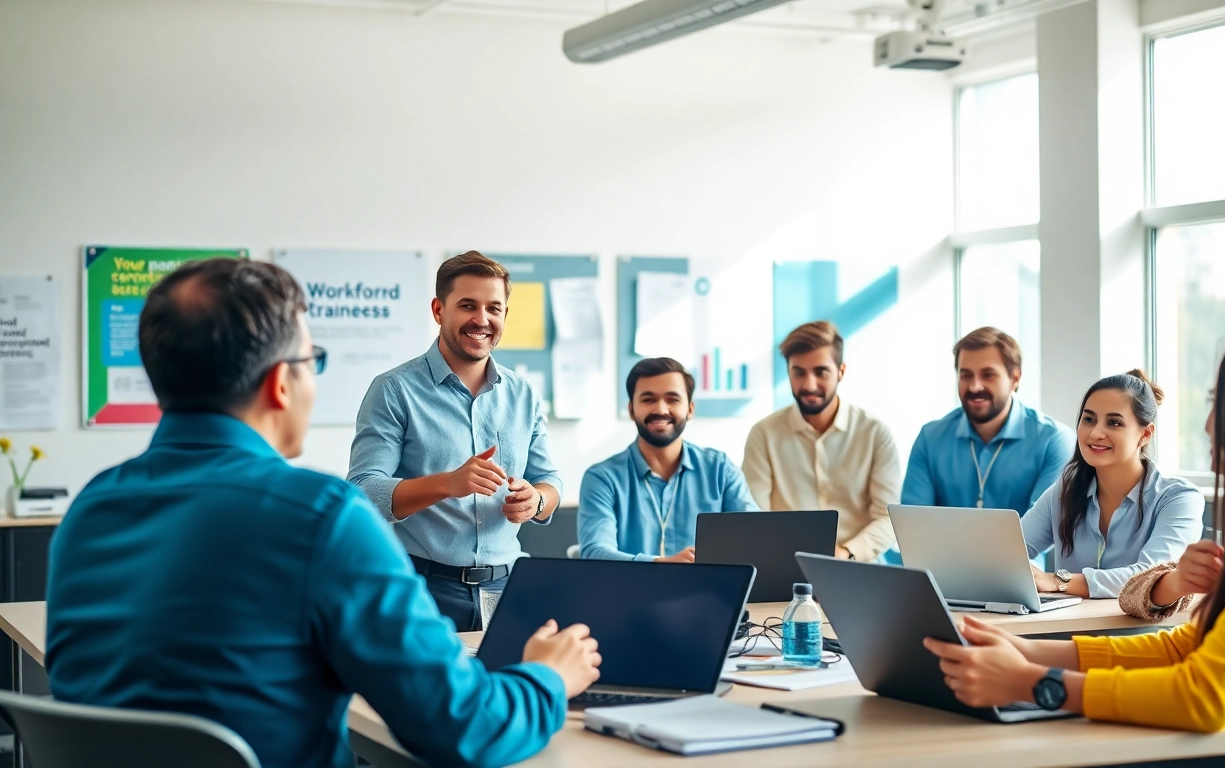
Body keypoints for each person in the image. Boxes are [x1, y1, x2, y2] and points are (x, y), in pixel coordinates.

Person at [45, 259, 601, 768]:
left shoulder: (91, 509)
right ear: (280, 384)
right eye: (312, 361)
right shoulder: (318, 516)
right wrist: (547, 678)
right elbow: (462, 727)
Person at [925, 317, 1225, 768]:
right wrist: (1026, 651)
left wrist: (1034, 683)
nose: (1207, 425)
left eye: (1221, 403)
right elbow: (1187, 647)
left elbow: (1203, 695)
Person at [348, 251, 562, 630]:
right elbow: (363, 490)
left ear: (505, 316)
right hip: (424, 589)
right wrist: (447, 484)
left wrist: (538, 500)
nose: (482, 320)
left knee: (510, 688)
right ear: (438, 310)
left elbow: (551, 481)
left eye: (494, 308)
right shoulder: (394, 390)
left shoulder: (523, 394)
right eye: (468, 306)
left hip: (510, 586)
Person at [1019, 370, 1204, 598]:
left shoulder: (1180, 499)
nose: (1095, 433)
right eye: (1089, 419)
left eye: (1114, 423)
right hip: (1067, 627)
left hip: (1144, 632)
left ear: (1145, 434)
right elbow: (1010, 552)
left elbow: (1150, 578)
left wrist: (1058, 580)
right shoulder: (1065, 490)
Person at [741, 321, 901, 562]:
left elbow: (888, 518)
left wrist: (846, 553)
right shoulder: (764, 434)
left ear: (841, 371)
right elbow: (753, 517)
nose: (809, 385)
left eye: (821, 372)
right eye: (799, 372)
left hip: (859, 567)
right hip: (786, 567)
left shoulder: (875, 433)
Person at [578, 357, 757, 561]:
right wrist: (661, 565)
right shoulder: (602, 478)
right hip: (629, 592)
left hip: (708, 590)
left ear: (690, 409)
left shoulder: (720, 470)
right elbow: (595, 552)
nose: (661, 410)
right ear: (631, 409)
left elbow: (753, 540)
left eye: (672, 399)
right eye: (648, 399)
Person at [901, 327, 1072, 515]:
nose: (975, 386)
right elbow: (914, 524)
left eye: (988, 375)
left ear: (1014, 379)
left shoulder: (1054, 440)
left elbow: (1043, 532)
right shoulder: (930, 439)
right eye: (966, 375)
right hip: (941, 546)